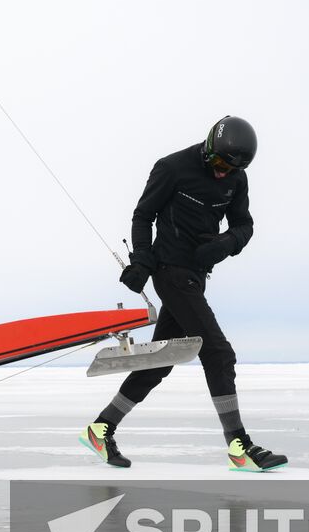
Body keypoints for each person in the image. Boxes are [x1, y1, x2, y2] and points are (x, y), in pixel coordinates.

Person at [79, 115, 289, 472]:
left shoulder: (236, 180)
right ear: (209, 149)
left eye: (234, 168)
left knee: (160, 361)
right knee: (219, 353)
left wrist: (224, 244)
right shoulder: (172, 167)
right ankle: (239, 446)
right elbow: (143, 215)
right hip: (170, 273)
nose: (224, 173)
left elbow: (244, 225)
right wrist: (142, 262)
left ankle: (102, 427)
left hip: (196, 275)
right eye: (221, 164)